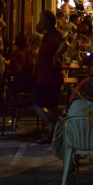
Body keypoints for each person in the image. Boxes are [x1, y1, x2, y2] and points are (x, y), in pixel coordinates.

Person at [32, 10, 68, 144]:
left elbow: (64, 45)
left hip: (51, 77)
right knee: (38, 104)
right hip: (43, 77)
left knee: (50, 107)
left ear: (47, 22)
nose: (40, 22)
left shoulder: (55, 35)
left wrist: (55, 58)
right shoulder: (47, 35)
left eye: (42, 20)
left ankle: (53, 130)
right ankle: (54, 129)